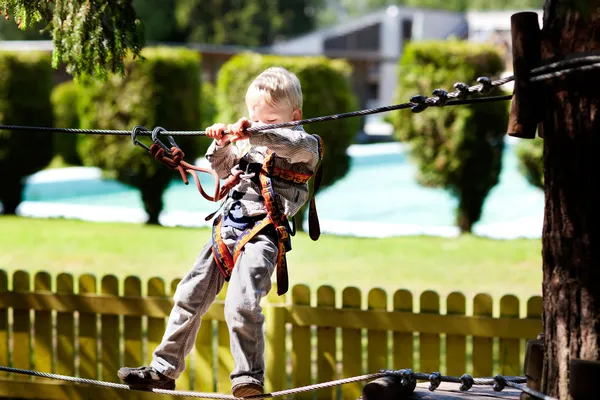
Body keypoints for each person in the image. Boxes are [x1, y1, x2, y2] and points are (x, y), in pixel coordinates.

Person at [117, 67, 322, 398]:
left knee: (241, 304)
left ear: (294, 115)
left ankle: (248, 379)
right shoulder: (251, 140)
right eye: (253, 116)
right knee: (189, 294)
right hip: (227, 227)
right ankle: (164, 369)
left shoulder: (305, 144)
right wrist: (223, 144)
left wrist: (251, 131)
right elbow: (224, 169)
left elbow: (285, 142)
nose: (259, 123)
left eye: (270, 118)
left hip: (263, 233)